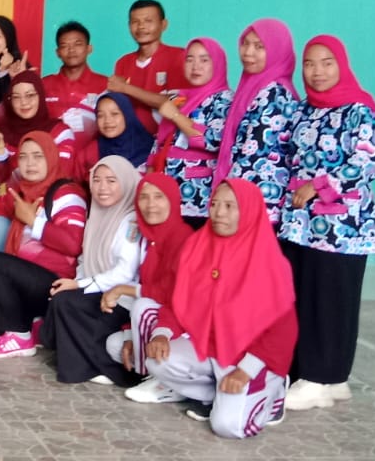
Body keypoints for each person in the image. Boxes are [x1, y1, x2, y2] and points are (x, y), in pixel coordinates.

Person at [279, 36, 375, 411]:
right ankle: (322, 377)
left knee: (332, 300)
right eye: (309, 63)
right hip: (301, 224)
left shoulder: (360, 109)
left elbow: (368, 162)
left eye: (327, 62)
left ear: (341, 64)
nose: (317, 71)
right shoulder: (304, 110)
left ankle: (322, 377)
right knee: (305, 297)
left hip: (343, 227)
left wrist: (319, 186)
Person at [143, 179, 294, 438]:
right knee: (157, 360)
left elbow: (281, 330)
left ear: (249, 211)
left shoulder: (269, 261)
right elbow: (177, 299)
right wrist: (162, 333)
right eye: (214, 204)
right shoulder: (198, 246)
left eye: (229, 206)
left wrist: (246, 371)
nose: (218, 213)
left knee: (228, 427)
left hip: (252, 356)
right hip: (211, 347)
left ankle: (274, 391)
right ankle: (217, 393)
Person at [0, 133, 87, 358]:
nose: (30, 163)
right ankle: (35, 324)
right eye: (23, 157)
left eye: (38, 156)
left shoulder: (67, 194)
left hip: (54, 283)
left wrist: (33, 221)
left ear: (51, 158)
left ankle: (18, 335)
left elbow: (73, 244)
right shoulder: (24, 190)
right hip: (24, 282)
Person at [40, 156, 146, 385]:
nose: (102, 187)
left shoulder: (131, 221)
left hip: (121, 301)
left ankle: (106, 370)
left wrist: (79, 285)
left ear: (127, 182)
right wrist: (76, 284)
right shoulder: (97, 214)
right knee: (61, 297)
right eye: (96, 180)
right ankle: (82, 365)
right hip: (98, 290)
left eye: (111, 181)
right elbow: (84, 259)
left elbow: (125, 272)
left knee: (65, 302)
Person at [109, 173, 199, 402]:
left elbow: (173, 294)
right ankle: (154, 375)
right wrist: (131, 334)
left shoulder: (183, 238)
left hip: (181, 324)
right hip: (161, 317)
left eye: (159, 197)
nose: (150, 204)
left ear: (173, 200)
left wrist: (124, 289)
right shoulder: (150, 238)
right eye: (144, 197)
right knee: (114, 344)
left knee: (142, 306)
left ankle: (161, 381)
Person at [213, 19, 300, 224]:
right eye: (245, 44)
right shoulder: (254, 88)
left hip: (255, 201)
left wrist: (225, 195)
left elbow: (254, 155)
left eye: (259, 47)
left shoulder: (274, 93)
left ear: (277, 51)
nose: (248, 52)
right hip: (246, 197)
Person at [0, 71, 76, 251]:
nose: (24, 102)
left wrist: (31, 212)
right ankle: (6, 266)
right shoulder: (1, 131)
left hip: (50, 212)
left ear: (40, 96)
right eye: (16, 97)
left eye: (30, 95)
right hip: (13, 207)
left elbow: (61, 175)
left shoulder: (60, 131)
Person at [146, 38, 232, 229]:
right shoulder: (179, 97)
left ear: (218, 63)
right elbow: (161, 140)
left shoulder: (223, 99)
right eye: (189, 59)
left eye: (204, 60)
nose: (195, 66)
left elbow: (213, 140)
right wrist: (150, 178)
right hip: (166, 189)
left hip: (197, 194)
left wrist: (176, 116)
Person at [112, 0, 189, 131]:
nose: (141, 27)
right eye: (135, 22)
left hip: (166, 137)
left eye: (148, 21)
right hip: (132, 137)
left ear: (163, 25)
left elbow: (177, 102)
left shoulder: (178, 56)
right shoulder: (123, 62)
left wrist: (126, 88)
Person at [73, 92, 155, 177]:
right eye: (100, 115)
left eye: (114, 114)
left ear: (128, 115)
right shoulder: (90, 152)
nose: (107, 121)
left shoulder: (151, 150)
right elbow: (74, 182)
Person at [43, 20, 108, 119]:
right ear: (58, 52)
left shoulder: (105, 85)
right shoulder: (44, 85)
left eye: (77, 44)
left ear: (89, 49)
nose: (71, 50)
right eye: (64, 46)